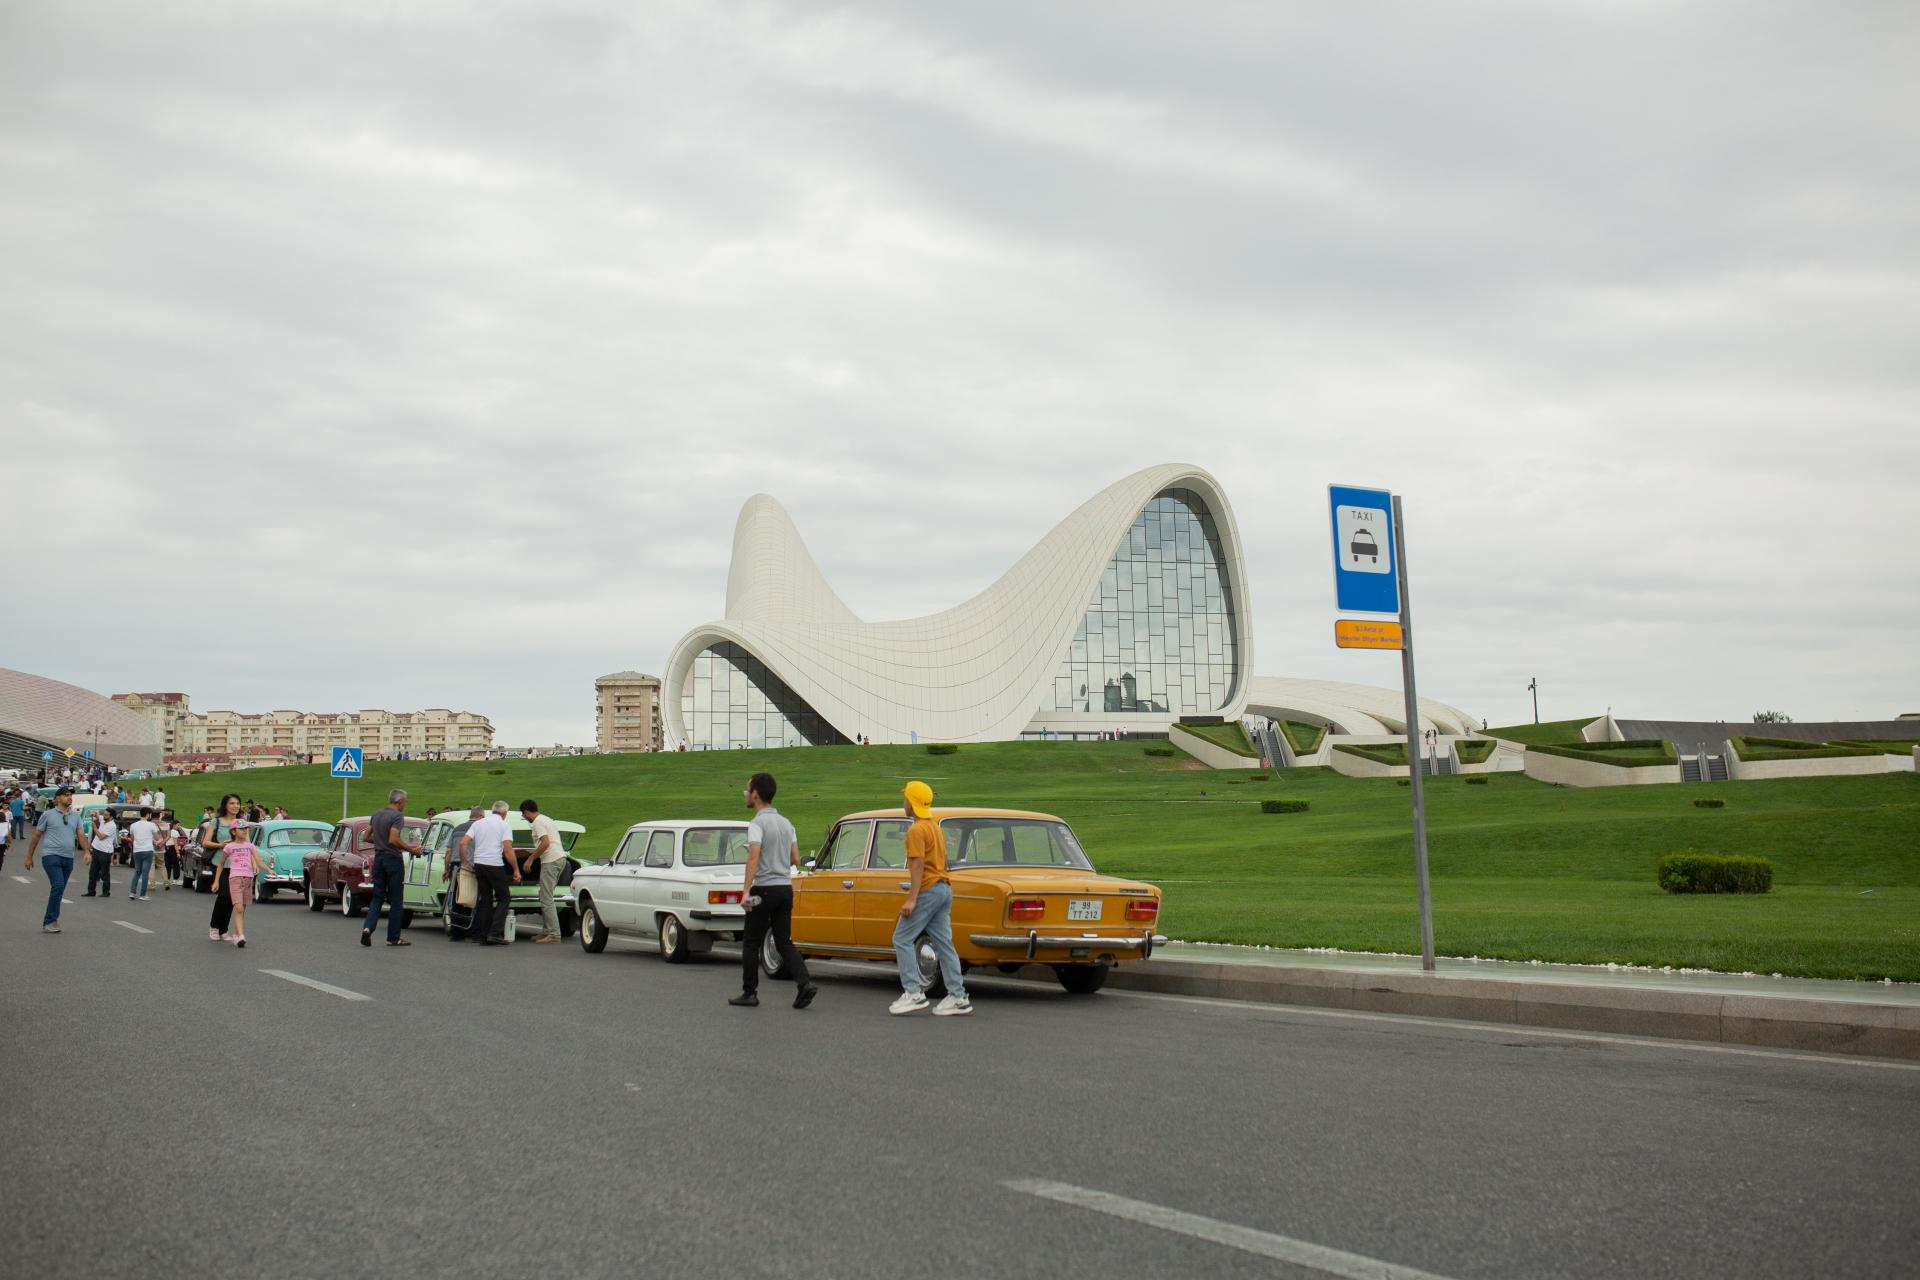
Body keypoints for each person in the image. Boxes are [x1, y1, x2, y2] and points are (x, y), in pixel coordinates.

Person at [727, 772, 816, 1009]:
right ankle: (804, 983)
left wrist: (746, 891)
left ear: (755, 794)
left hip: (763, 889)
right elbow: (795, 857)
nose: (746, 794)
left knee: (751, 941)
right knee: (783, 940)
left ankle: (749, 992)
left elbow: (753, 857)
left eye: (747, 790)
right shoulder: (786, 823)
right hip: (785, 888)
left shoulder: (757, 824)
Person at [889, 780, 970, 1016]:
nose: (903, 802)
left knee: (902, 938)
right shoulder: (934, 827)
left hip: (928, 890)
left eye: (905, 798)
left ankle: (913, 993)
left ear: (911, 802)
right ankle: (958, 996)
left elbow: (918, 864)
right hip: (944, 888)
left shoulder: (916, 830)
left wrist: (912, 898)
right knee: (944, 944)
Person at [361, 788, 418, 948]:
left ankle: (367, 928)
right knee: (396, 899)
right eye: (405, 802)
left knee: (378, 896)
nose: (405, 805)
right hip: (392, 859)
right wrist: (411, 849)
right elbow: (393, 839)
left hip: (378, 858)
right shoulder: (397, 816)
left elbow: (366, 836)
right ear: (400, 801)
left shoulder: (377, 814)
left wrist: (380, 841)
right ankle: (393, 937)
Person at [26, 787, 87, 933]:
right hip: (51, 856)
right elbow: (36, 835)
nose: (69, 797)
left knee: (59, 890)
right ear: (58, 798)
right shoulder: (48, 815)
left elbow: (80, 834)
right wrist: (29, 856)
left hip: (68, 858)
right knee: (58, 885)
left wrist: (86, 851)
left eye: (70, 795)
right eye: (66, 795)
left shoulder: (75, 816)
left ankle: (52, 920)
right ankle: (49, 921)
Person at [464, 801, 516, 946]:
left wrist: (464, 861)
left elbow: (463, 842)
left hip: (479, 864)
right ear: (505, 813)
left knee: (485, 899)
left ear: (492, 810)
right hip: (494, 864)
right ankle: (494, 933)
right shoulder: (504, 825)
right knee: (504, 898)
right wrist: (516, 869)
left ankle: (483, 934)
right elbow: (507, 849)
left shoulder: (478, 823)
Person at [517, 799, 566, 944]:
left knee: (546, 897)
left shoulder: (537, 822)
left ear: (526, 812)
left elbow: (545, 842)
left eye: (523, 814)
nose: (524, 817)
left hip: (551, 860)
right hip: (558, 858)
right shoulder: (546, 819)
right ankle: (547, 930)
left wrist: (530, 859)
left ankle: (554, 934)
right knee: (545, 895)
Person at [203, 794, 243, 941]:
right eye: (232, 803)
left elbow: (248, 842)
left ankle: (223, 930)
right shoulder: (216, 822)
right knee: (224, 894)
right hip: (220, 863)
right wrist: (220, 845)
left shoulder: (241, 823)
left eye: (237, 803)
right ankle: (214, 926)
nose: (235, 806)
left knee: (232, 897)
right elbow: (205, 842)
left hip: (237, 865)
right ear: (225, 805)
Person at [220, 820, 261, 947]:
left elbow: (252, 855)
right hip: (235, 877)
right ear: (233, 832)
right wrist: (216, 881)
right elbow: (221, 863)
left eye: (246, 829)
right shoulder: (229, 846)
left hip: (247, 877)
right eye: (241, 829)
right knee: (238, 908)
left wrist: (255, 864)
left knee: (242, 909)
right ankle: (241, 935)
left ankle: (237, 934)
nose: (244, 831)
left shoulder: (249, 845)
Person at [127, 806, 160, 901]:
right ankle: (143, 894)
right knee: (145, 873)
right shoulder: (151, 825)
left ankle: (132, 892)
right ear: (148, 814)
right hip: (147, 850)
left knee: (137, 872)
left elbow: (132, 839)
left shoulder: (133, 825)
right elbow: (157, 838)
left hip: (137, 850)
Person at [84, 809, 117, 897]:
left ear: (111, 817)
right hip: (96, 849)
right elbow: (97, 815)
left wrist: (95, 828)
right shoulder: (103, 819)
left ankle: (106, 892)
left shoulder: (112, 826)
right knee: (93, 872)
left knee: (104, 873)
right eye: (104, 814)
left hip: (105, 852)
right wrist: (94, 813)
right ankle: (91, 891)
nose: (104, 816)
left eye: (106, 815)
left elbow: (101, 837)